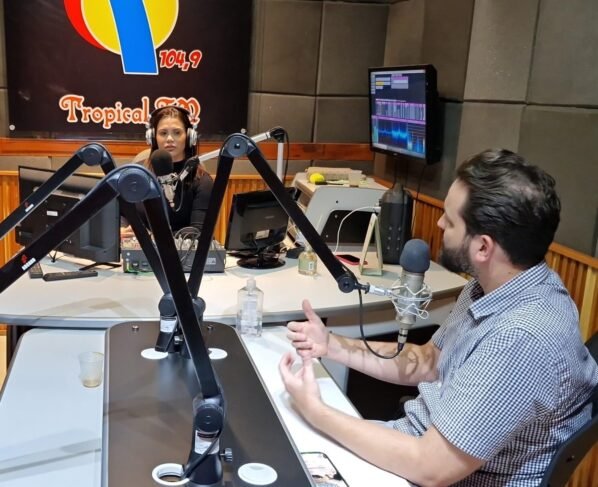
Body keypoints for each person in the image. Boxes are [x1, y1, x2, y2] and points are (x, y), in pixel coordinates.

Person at [279, 149, 598, 486]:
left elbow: (431, 468)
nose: (439, 223)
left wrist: (316, 411)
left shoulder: (521, 338)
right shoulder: (495, 285)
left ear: (483, 247)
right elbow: (430, 361)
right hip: (411, 448)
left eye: (450, 220)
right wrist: (331, 345)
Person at [123, 105, 213, 235]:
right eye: (163, 133)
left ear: (189, 137)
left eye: (177, 132)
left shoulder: (203, 182)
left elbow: (197, 233)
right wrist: (121, 229)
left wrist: (150, 237)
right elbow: (121, 212)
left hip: (181, 248)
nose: (170, 139)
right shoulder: (137, 175)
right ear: (153, 138)